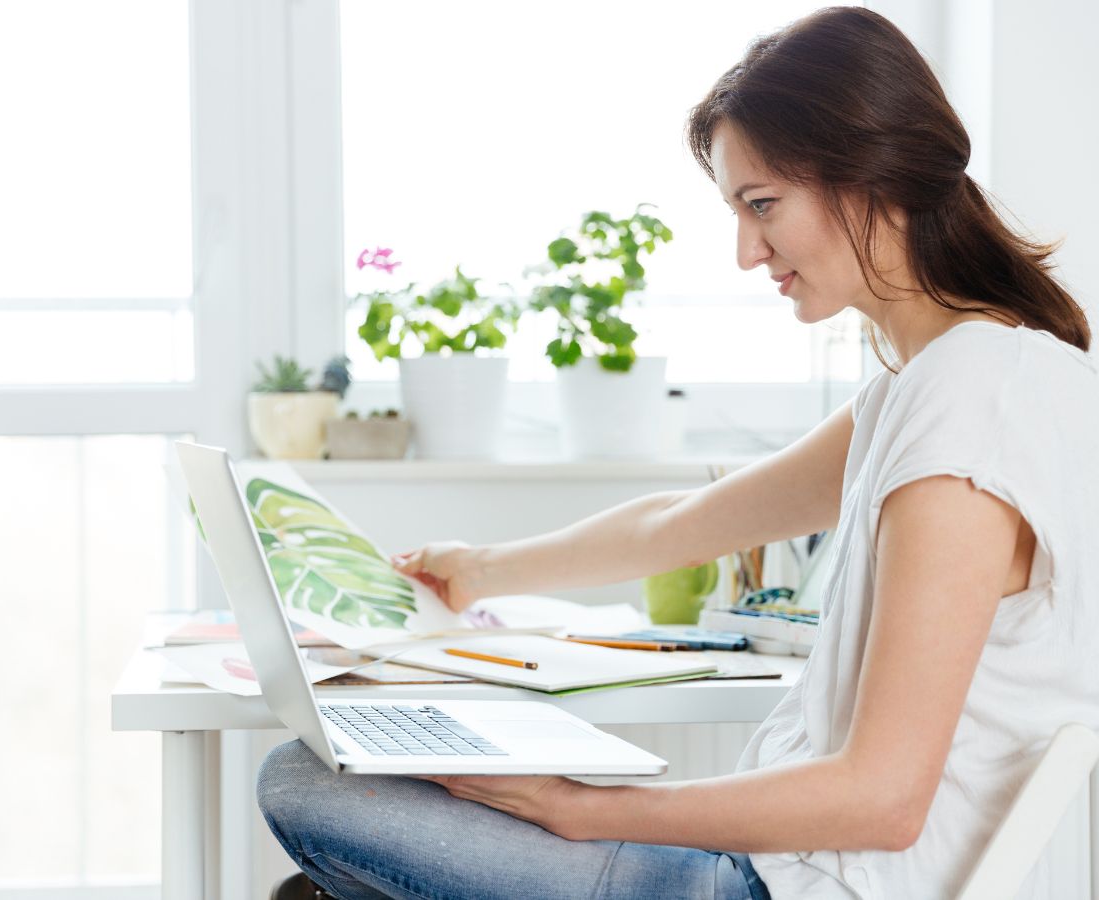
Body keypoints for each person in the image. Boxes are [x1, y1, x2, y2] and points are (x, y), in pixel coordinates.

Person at [257, 7, 1098, 898]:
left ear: (872, 176)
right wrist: (477, 569)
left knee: (304, 783)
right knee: (336, 797)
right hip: (773, 872)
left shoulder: (970, 407)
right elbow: (685, 522)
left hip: (792, 888)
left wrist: (582, 807)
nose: (746, 251)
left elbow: (883, 799)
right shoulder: (938, 383)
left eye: (762, 205)